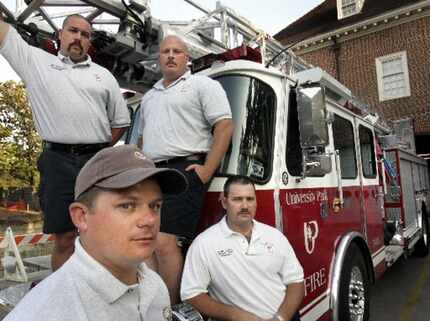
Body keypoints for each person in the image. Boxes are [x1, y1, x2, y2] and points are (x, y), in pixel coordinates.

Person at [0, 14, 130, 271]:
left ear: (89, 42)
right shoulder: (35, 61)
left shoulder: (104, 76)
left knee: (98, 233)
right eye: (73, 31)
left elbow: (120, 122)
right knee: (65, 238)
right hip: (56, 162)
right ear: (60, 34)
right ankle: (66, 298)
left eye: (85, 34)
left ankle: (95, 290)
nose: (78, 38)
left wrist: (99, 152)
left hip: (96, 163)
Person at [4, 145, 188, 321]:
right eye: (127, 205)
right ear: (81, 216)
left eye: (155, 206)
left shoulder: (154, 285)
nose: (150, 220)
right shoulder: (44, 313)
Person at [138, 34, 234, 303]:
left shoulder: (202, 85)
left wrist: (206, 170)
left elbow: (225, 126)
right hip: (152, 173)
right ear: (159, 58)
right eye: (166, 51)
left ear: (186, 58)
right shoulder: (149, 97)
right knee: (146, 242)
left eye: (177, 51)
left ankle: (169, 309)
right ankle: (154, 304)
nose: (170, 55)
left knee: (165, 242)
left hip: (184, 169)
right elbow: (144, 138)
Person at [181, 175, 304, 321]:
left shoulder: (275, 236)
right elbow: (191, 294)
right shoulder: (204, 243)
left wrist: (281, 318)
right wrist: (234, 315)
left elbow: (296, 282)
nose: (245, 206)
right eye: (237, 199)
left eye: (250, 199)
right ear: (225, 202)